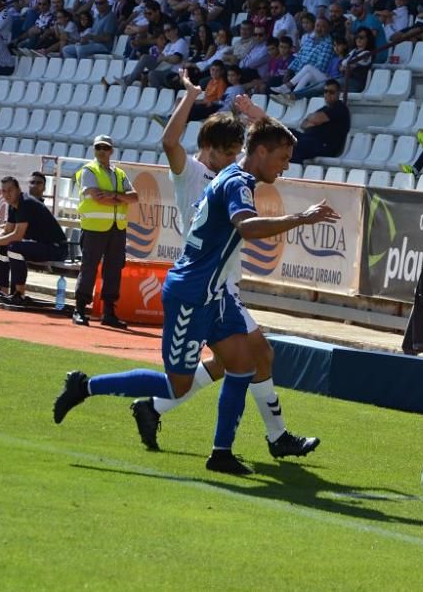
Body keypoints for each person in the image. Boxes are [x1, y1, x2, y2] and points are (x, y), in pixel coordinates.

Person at [53, 117, 340, 475]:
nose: (286, 165)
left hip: (215, 294)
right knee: (177, 386)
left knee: (243, 365)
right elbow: (247, 227)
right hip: (192, 295)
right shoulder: (237, 182)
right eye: (282, 157)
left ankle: (222, 453)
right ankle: (85, 386)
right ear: (262, 152)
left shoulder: (233, 177)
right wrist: (301, 218)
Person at [123, 69, 320, 456]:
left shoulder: (232, 174)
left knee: (244, 359)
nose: (234, 157)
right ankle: (274, 438)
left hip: (223, 278)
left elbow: (270, 142)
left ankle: (154, 407)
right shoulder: (194, 173)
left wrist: (252, 113)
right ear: (209, 147)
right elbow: (169, 141)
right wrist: (192, 96)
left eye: (236, 150)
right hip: (208, 282)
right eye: (228, 151)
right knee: (256, 355)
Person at [72, 135, 137, 328]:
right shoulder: (88, 170)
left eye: (105, 148)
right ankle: (80, 309)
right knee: (89, 268)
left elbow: (134, 197)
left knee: (114, 270)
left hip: (117, 228)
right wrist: (120, 198)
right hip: (94, 228)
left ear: (111, 151)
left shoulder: (119, 173)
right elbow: (97, 197)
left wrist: (113, 196)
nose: (101, 151)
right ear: (94, 149)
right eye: (98, 147)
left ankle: (109, 312)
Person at [0, 176, 68, 306]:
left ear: (18, 190)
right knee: (0, 246)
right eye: (4, 191)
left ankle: (20, 295)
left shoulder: (26, 203)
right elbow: (7, 230)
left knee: (14, 247)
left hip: (56, 248)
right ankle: (2, 291)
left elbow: (17, 235)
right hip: (41, 245)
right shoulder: (13, 205)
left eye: (10, 190)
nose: (7, 194)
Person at [289, 79, 351, 163]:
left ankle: (292, 170)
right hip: (309, 138)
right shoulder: (325, 109)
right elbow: (303, 124)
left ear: (338, 93)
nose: (328, 94)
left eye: (331, 92)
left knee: (297, 146)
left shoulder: (340, 108)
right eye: (325, 91)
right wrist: (313, 119)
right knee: (284, 133)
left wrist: (313, 119)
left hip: (324, 145)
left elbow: (315, 119)